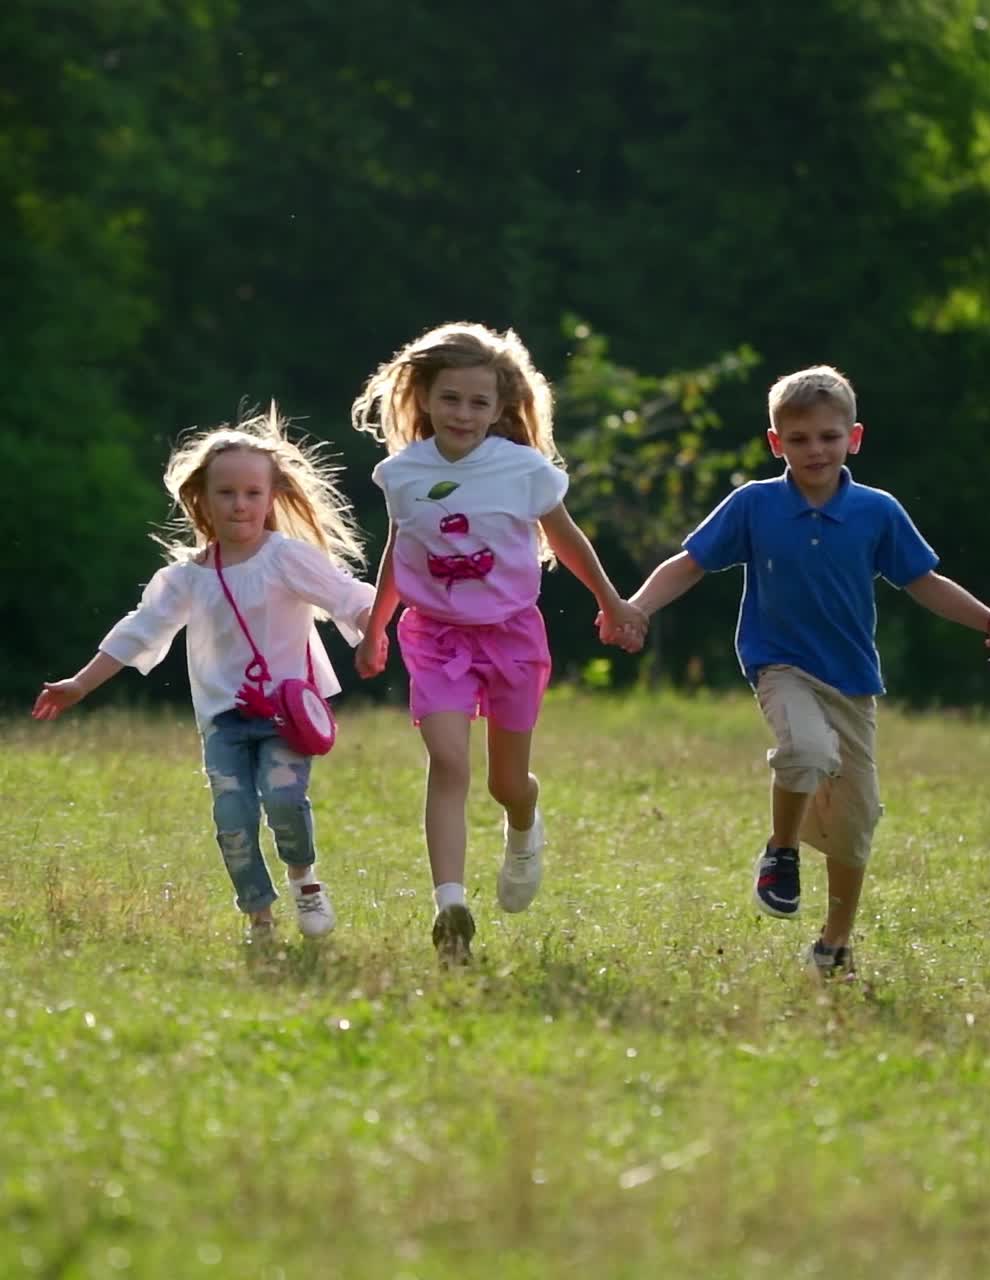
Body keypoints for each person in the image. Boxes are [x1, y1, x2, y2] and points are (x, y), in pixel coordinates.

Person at [614, 365, 990, 977]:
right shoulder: (755, 505)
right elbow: (690, 563)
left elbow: (923, 582)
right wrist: (635, 608)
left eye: (829, 437)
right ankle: (781, 851)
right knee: (806, 751)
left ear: (854, 438)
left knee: (855, 821)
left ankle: (834, 946)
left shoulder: (876, 512)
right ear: (776, 442)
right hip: (780, 665)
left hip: (852, 680)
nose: (816, 449)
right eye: (801, 438)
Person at [351, 321, 647, 965]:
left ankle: (523, 824)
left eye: (478, 402)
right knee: (449, 761)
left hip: (512, 634)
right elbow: (403, 552)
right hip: (433, 636)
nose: (463, 413)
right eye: (450, 397)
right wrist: (376, 628)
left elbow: (567, 538)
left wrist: (610, 599)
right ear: (424, 397)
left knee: (507, 783)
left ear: (500, 407)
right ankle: (450, 905)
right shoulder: (402, 474)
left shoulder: (523, 469)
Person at [32, 407, 375, 943]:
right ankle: (259, 918)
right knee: (233, 818)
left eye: (252, 493)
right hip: (224, 720)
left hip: (289, 713)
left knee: (284, 800)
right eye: (226, 493)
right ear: (202, 500)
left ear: (271, 497)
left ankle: (306, 882)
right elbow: (137, 631)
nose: (240, 504)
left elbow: (351, 599)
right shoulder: (186, 578)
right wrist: (80, 683)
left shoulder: (287, 558)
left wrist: (379, 634)